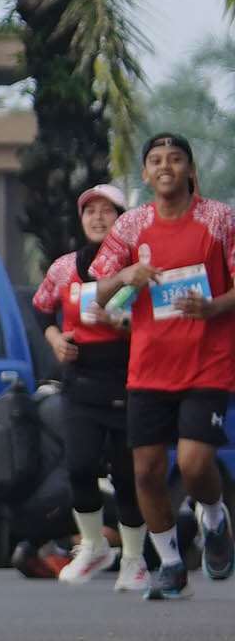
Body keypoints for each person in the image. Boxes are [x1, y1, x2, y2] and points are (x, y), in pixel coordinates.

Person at [87, 130, 235, 601]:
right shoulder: (132, 226)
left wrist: (213, 308)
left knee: (193, 464)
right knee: (147, 473)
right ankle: (170, 563)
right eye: (156, 160)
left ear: (190, 169)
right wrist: (125, 275)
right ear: (146, 174)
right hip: (149, 367)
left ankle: (214, 517)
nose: (166, 166)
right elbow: (97, 292)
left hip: (207, 363)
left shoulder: (219, 219)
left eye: (175, 158)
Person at [35, 180, 137, 588]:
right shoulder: (63, 268)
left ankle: (134, 560)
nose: (97, 218)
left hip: (129, 381)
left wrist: (121, 323)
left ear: (122, 220)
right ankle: (93, 546)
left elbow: (157, 321)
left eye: (107, 210)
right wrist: (56, 340)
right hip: (80, 383)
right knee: (79, 467)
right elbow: (42, 309)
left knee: (127, 475)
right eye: (90, 211)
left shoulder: (136, 267)